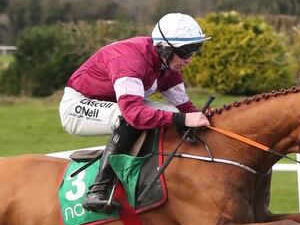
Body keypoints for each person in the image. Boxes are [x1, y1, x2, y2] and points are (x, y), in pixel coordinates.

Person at [59, 12, 212, 213]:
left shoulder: (169, 65)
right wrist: (183, 118)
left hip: (116, 103)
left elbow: (184, 108)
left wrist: (205, 117)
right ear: (164, 49)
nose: (190, 60)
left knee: (173, 115)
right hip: (78, 105)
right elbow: (134, 114)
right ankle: (99, 189)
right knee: (130, 118)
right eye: (185, 52)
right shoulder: (130, 60)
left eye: (194, 52)